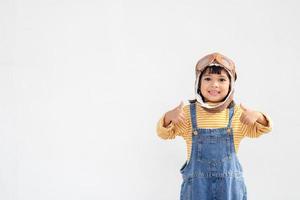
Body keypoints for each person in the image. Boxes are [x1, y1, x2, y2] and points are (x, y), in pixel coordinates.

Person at [156, 52, 272, 200]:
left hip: (230, 192)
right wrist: (168, 118)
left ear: (231, 84)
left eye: (222, 79)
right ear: (198, 83)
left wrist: (259, 117)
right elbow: (164, 133)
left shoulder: (237, 114)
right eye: (207, 79)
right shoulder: (186, 114)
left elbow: (263, 129)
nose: (214, 84)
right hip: (197, 192)